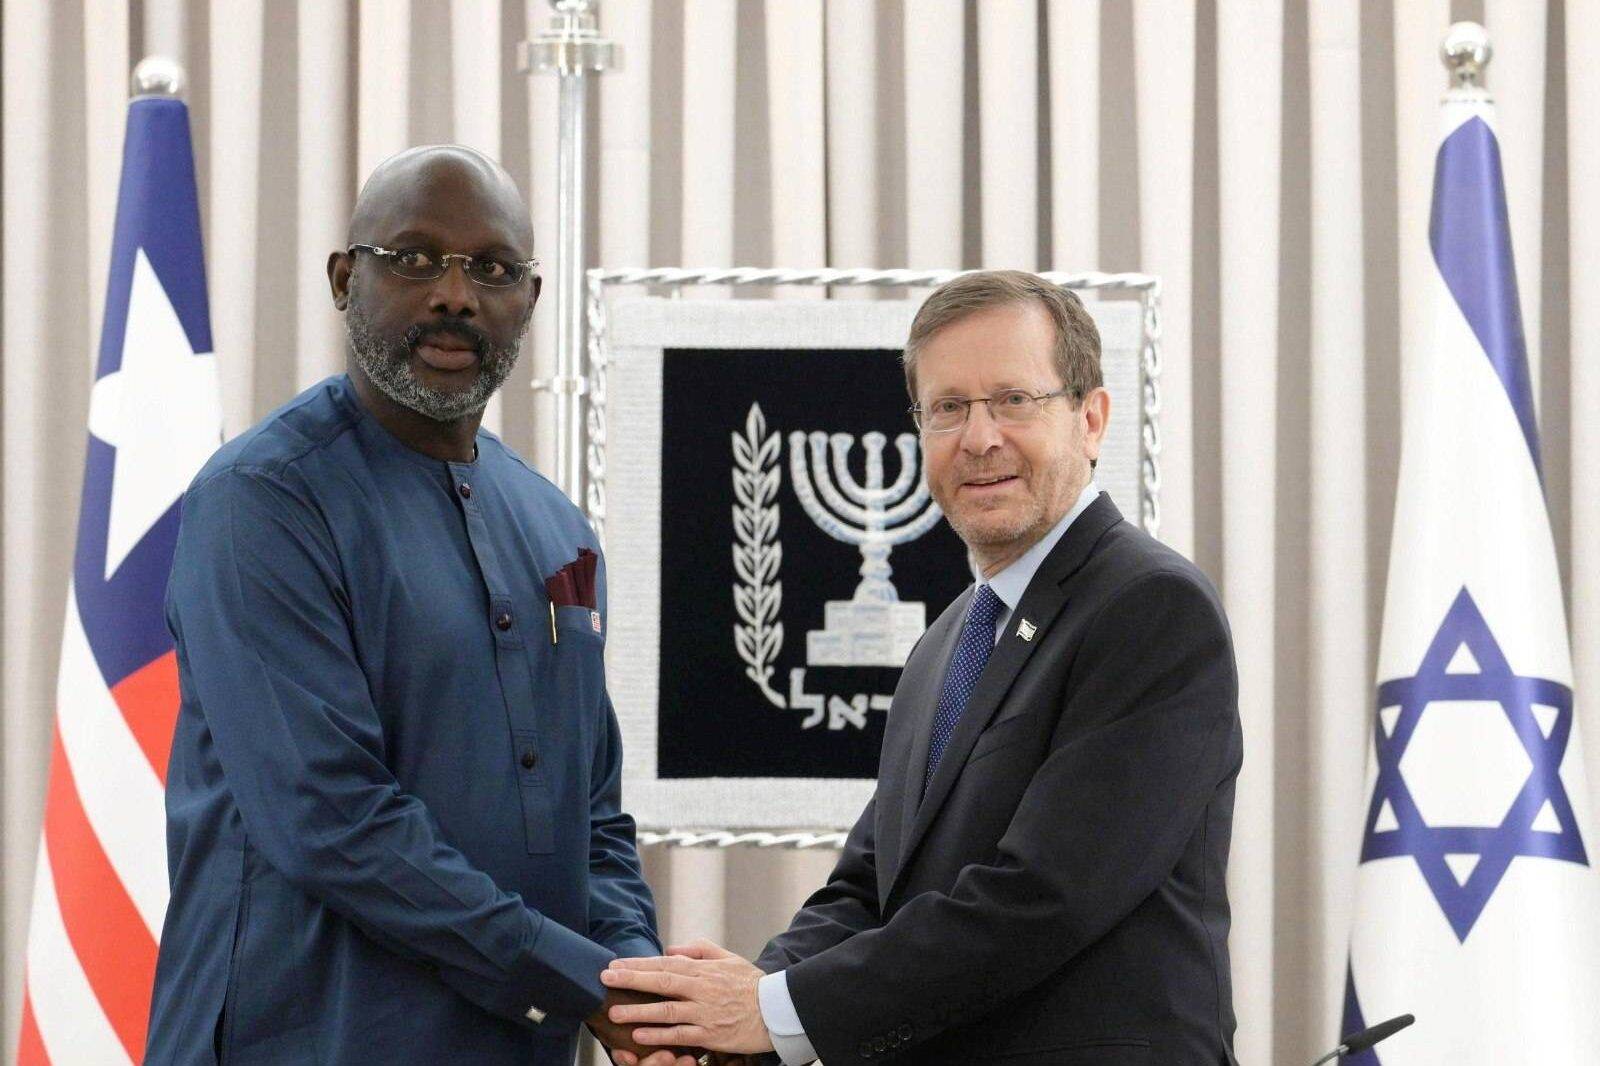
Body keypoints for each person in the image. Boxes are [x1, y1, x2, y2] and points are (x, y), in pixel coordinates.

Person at [602, 270, 1243, 1065]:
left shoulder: (1149, 608)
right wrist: (728, 1018)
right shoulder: (948, 640)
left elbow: (1044, 899)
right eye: (948, 408)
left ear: (1092, 418)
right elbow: (871, 886)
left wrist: (769, 1010)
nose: (979, 438)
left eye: (1014, 399)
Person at [146, 145, 695, 1066]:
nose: (454, 294)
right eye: (413, 258)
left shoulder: (560, 530)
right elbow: (333, 820)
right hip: (304, 1039)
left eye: (491, 269)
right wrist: (584, 983)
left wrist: (640, 986)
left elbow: (589, 817)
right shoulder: (263, 502)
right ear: (342, 278)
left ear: (531, 299)